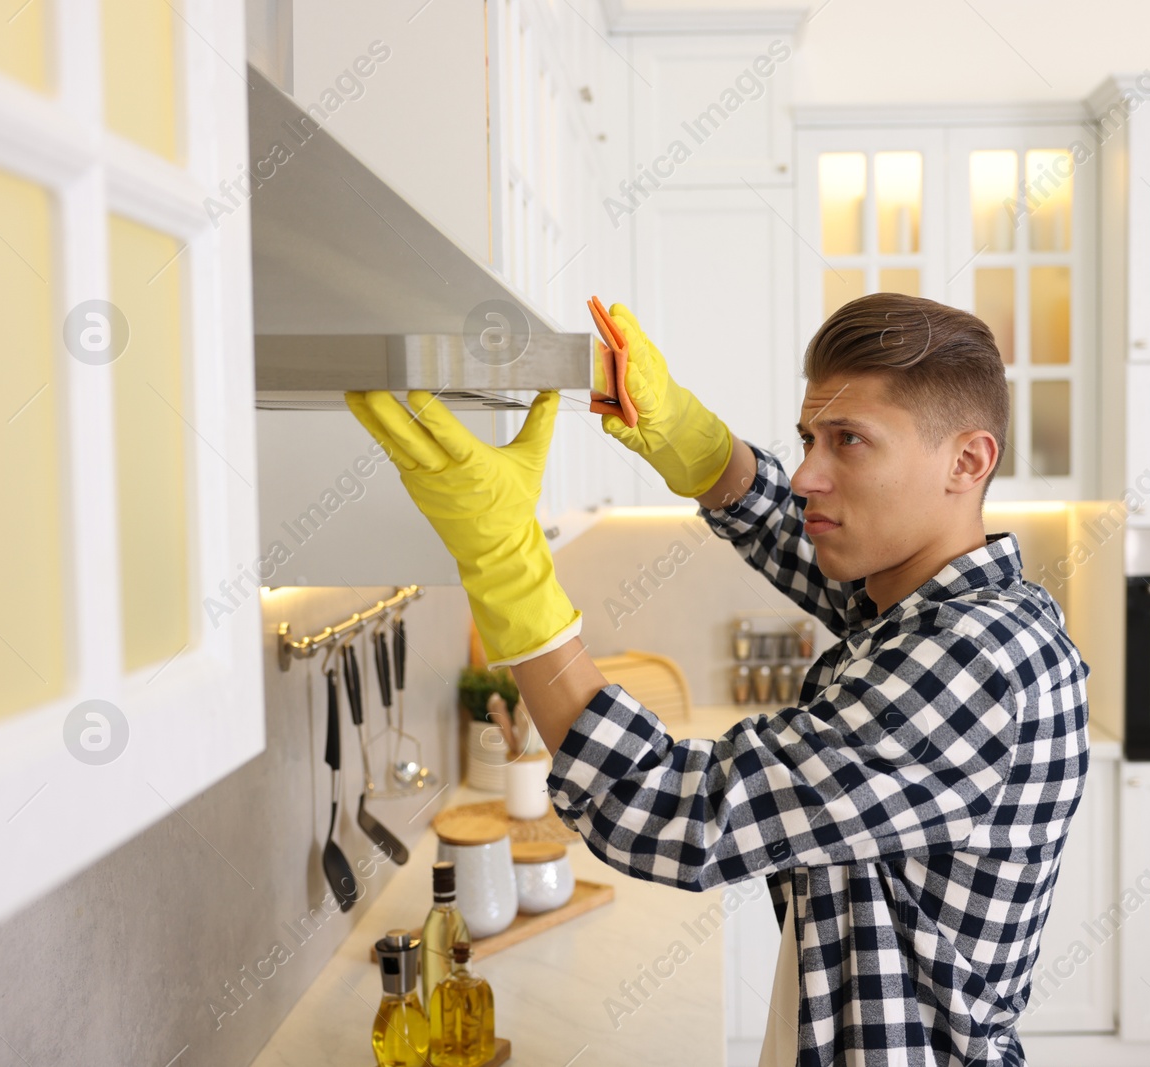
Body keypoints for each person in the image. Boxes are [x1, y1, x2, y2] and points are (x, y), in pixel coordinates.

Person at [346, 291, 1090, 1066]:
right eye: (809, 437)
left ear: (967, 460)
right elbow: (795, 537)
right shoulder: (964, 609)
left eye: (849, 440)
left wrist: (507, 568)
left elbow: (674, 808)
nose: (806, 473)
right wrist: (686, 438)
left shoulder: (974, 660)